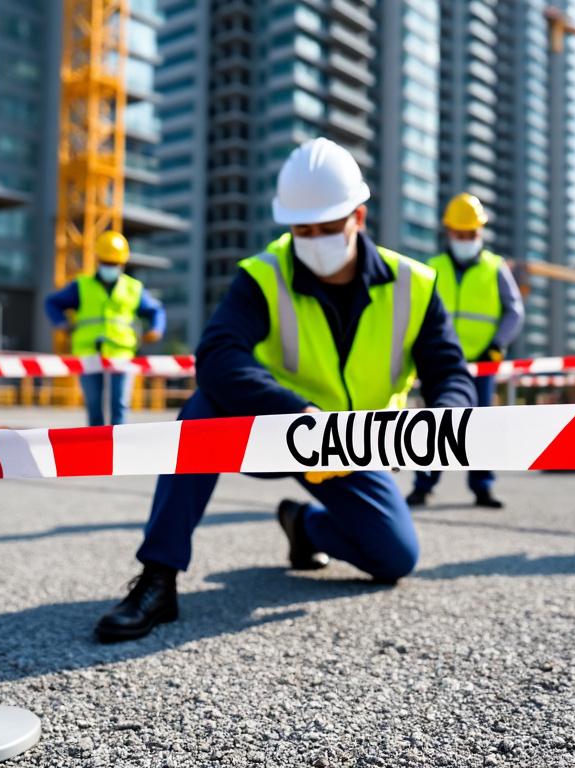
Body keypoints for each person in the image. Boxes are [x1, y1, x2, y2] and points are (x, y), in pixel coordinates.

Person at [95, 138, 476, 643]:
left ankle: (304, 526)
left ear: (358, 217)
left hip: (354, 448)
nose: (314, 239)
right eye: (302, 230)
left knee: (395, 558)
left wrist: (435, 425)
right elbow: (217, 357)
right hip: (276, 428)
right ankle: (158, 577)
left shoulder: (415, 285)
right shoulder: (263, 274)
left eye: (327, 228)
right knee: (202, 411)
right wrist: (298, 412)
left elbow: (451, 375)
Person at [406, 193, 524, 509]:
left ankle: (483, 487)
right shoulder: (432, 269)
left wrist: (497, 346)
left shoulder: (495, 268)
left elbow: (514, 312)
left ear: (480, 233)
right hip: (441, 362)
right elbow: (416, 311)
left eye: (472, 234)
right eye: (461, 234)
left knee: (480, 425)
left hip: (483, 362)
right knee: (435, 424)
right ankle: (423, 484)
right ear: (448, 232)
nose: (466, 240)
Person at [44, 230, 165, 426]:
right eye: (106, 262)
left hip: (121, 353)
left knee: (119, 405)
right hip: (89, 352)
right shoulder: (81, 286)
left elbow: (156, 310)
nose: (110, 267)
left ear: (122, 263)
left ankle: (119, 448)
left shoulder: (133, 288)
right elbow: (52, 303)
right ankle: (96, 449)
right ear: (98, 260)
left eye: (113, 263)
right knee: (94, 406)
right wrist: (61, 323)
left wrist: (156, 329)